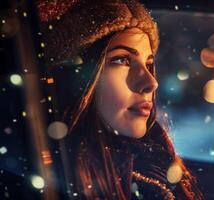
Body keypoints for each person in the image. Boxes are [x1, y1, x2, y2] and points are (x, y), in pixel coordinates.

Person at [37, 0, 203, 199]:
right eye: (122, 60)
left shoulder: (157, 164)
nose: (151, 82)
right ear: (75, 77)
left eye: (148, 64)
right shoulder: (47, 177)